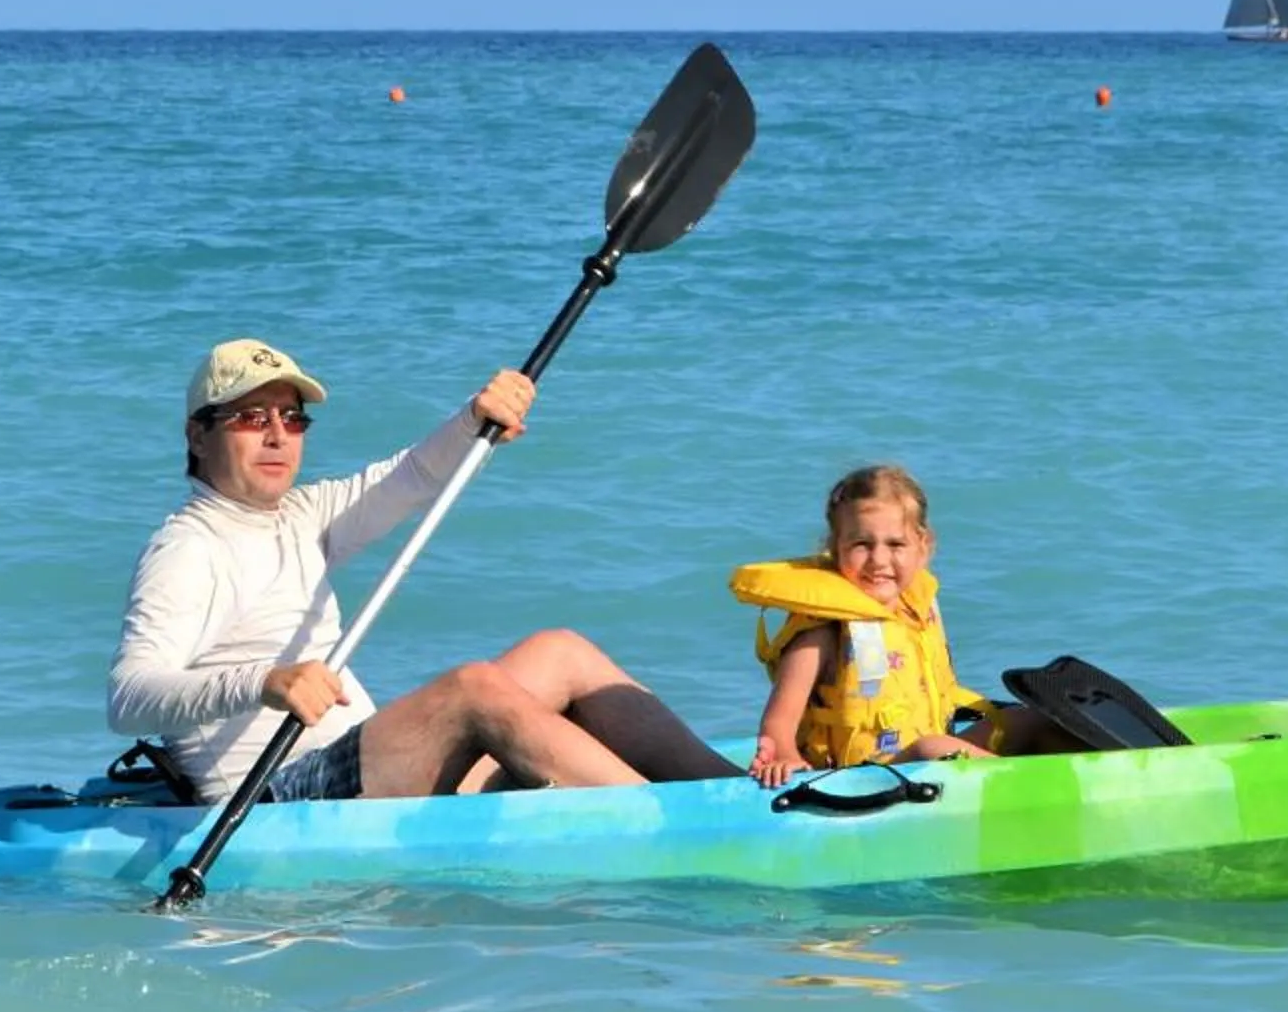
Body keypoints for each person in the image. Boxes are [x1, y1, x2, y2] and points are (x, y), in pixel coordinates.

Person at [109, 338, 742, 806]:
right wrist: (265, 682)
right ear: (198, 436)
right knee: (471, 688)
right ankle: (669, 826)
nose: (277, 435)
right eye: (251, 418)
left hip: (366, 769)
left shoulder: (298, 515)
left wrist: (476, 419)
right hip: (276, 798)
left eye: (291, 417)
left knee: (561, 652)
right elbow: (130, 695)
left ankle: (738, 797)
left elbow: (411, 476)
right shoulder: (189, 548)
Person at [730, 463, 1055, 789]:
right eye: (861, 545)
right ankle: (1036, 789)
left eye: (895, 545)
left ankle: (1081, 770)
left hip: (928, 756)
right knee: (934, 746)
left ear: (923, 546)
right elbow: (779, 720)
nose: (879, 560)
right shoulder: (823, 631)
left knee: (1029, 720)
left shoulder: (915, 609)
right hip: (860, 777)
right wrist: (783, 755)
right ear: (835, 546)